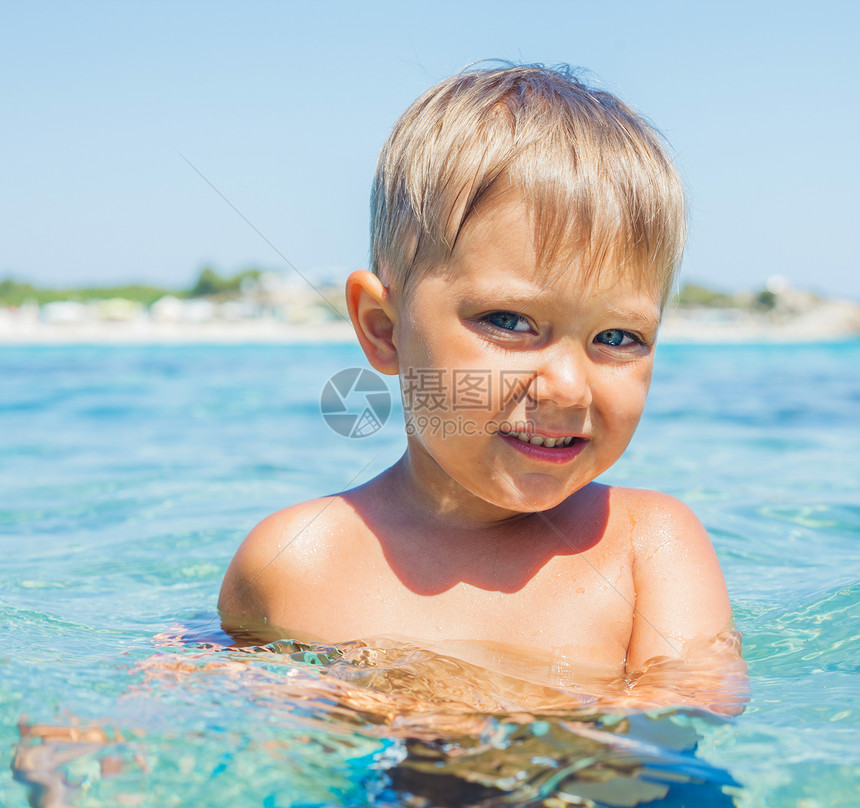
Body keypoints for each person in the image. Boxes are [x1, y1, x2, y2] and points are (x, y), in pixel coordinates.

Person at [219, 63, 742, 705]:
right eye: (510, 321)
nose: (570, 388)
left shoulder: (649, 547)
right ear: (384, 330)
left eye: (618, 337)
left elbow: (684, 734)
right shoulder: (294, 562)